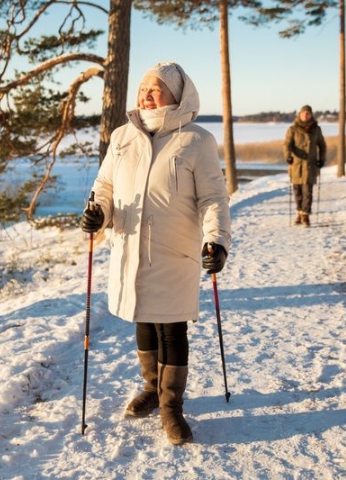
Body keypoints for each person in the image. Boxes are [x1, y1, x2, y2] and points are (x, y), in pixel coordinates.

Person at [81, 61, 231, 446]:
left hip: (174, 250)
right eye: (144, 86)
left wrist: (216, 240)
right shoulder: (122, 137)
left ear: (177, 96)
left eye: (156, 87)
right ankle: (151, 387)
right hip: (130, 246)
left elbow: (213, 197)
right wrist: (99, 213)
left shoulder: (197, 140)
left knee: (172, 327)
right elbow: (105, 185)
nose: (146, 93)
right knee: (143, 319)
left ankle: (171, 407)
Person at [283, 105, 327, 227]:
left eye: (308, 114)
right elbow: (287, 145)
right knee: (297, 192)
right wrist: (288, 156)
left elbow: (322, 145)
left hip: (310, 165)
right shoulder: (292, 129)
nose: (306, 116)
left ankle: (305, 215)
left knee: (308, 191)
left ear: (311, 115)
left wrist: (321, 159)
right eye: (304, 114)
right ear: (300, 115)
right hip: (296, 165)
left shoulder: (316, 129)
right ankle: (299, 213)